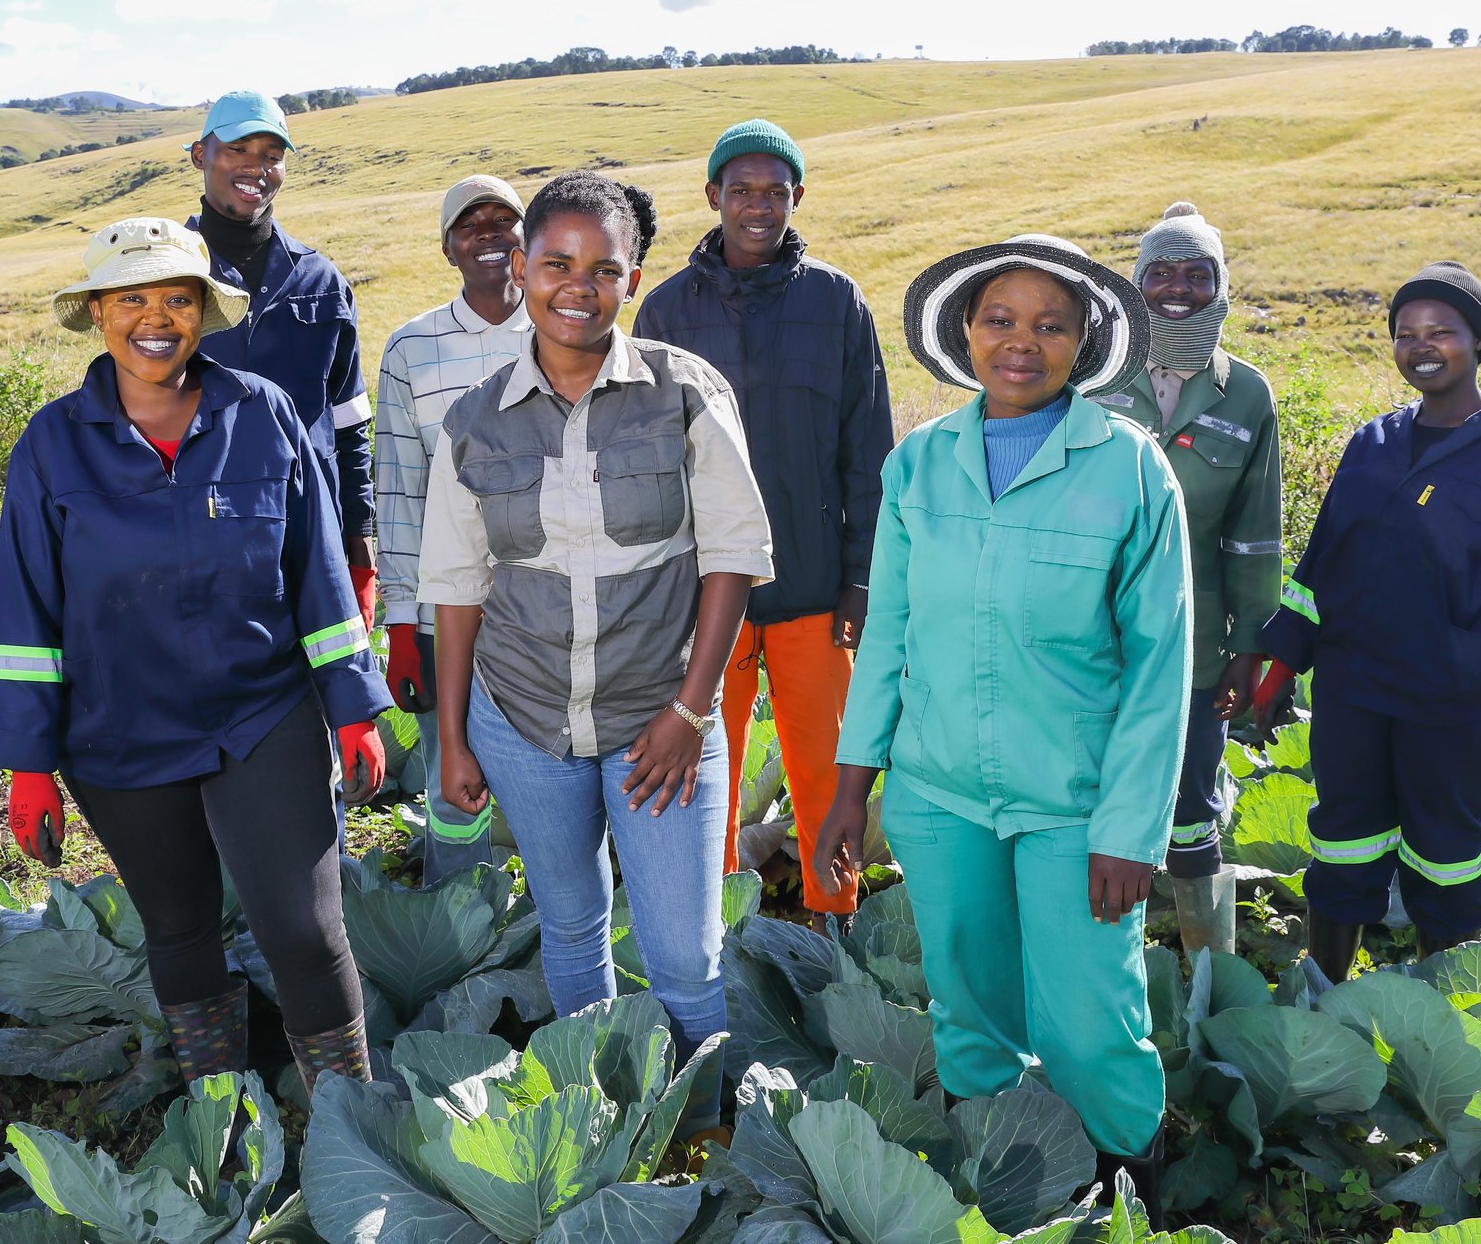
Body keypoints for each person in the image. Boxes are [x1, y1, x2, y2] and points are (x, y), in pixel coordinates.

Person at [0, 216, 392, 1098]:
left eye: (177, 298)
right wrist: (28, 766)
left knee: (306, 931)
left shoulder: (262, 413)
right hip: (117, 732)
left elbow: (318, 573)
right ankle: (222, 1125)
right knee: (177, 928)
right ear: (97, 312)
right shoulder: (52, 446)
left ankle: (352, 1126)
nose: (155, 318)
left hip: (262, 715)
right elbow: (24, 615)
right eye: (132, 298)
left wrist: (353, 706)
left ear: (204, 312)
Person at [812, 234, 1189, 1185]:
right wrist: (851, 791)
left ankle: (1127, 1193)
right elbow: (888, 634)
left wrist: (1130, 830)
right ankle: (1003, 1177)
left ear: (1083, 341)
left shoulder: (1129, 469)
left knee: (1089, 1019)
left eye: (1048, 325)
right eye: (999, 320)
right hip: (940, 796)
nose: (1020, 343)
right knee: (968, 1010)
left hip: (1075, 806)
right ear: (966, 334)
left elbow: (1158, 668)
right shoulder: (920, 464)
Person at [420, 171, 773, 1136]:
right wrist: (453, 738)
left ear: (634, 279)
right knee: (572, 925)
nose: (577, 285)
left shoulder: (686, 394)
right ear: (521, 268)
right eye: (555, 264)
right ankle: (605, 1117)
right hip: (524, 718)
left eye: (603, 269)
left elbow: (734, 561)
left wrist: (690, 713)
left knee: (685, 956)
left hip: (659, 721)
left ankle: (702, 1134)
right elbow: (455, 589)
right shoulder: (473, 420)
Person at [1252, 262, 1481, 982]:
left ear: (1479, 341)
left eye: (1441, 331)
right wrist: (1282, 660)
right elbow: (1322, 564)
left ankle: (1446, 1006)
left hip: (1457, 701)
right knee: (1343, 839)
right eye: (1406, 334)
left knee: (1447, 852)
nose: (1421, 346)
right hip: (1354, 690)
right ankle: (1325, 992)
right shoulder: (1373, 444)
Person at [632, 120, 893, 922]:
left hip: (816, 585)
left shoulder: (836, 302)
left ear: (797, 198)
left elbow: (868, 450)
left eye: (774, 191)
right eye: (739, 189)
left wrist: (860, 578)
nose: (757, 205)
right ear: (712, 196)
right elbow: (648, 457)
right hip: (709, 594)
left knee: (827, 768)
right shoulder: (668, 309)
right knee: (708, 768)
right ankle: (709, 929)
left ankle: (834, 922)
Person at [1093, 202, 1282, 956]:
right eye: (1160, 274)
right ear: (1136, 287)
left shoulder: (1247, 395)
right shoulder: (1095, 375)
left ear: (1221, 286)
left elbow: (1254, 536)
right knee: (1093, 799)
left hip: (1197, 644)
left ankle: (1206, 978)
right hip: (1090, 635)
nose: (1178, 289)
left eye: (1196, 274)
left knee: (1192, 805)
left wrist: (1249, 644)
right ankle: (1106, 962)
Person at [374, 174, 533, 881]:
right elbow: (399, 492)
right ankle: (459, 912)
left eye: (506, 220)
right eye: (472, 224)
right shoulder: (412, 349)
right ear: (448, 247)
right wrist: (404, 624)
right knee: (452, 770)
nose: (491, 234)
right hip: (451, 608)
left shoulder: (570, 323)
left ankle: (550, 929)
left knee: (556, 778)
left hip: (553, 606)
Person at [184, 90, 379, 629]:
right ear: (201, 156)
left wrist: (359, 541)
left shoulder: (321, 281)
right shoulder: (166, 278)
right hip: (194, 542)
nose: (256, 168)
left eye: (272, 155)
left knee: (319, 706)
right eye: (238, 149)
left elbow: (349, 422)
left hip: (310, 539)